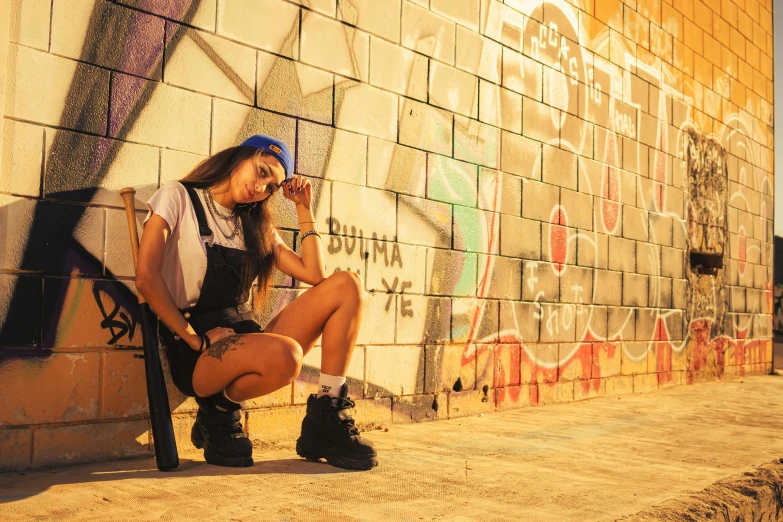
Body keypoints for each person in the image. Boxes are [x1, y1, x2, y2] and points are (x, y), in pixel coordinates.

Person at [135, 134, 377, 470]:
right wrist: (195, 338)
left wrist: (303, 208)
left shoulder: (254, 224)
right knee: (288, 355)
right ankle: (218, 412)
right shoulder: (178, 197)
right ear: (240, 157)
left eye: (271, 187)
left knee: (347, 284)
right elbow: (146, 278)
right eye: (261, 172)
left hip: (246, 339)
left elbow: (314, 274)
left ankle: (327, 413)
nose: (259, 188)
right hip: (197, 348)